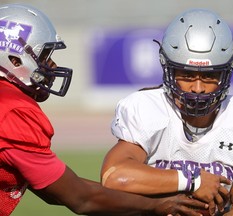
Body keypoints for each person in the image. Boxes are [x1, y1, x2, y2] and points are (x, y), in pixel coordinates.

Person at [0, 3, 210, 216]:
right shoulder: (14, 111)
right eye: (45, 56)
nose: (52, 65)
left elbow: (55, 189)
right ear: (14, 59)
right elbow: (80, 198)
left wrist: (153, 198)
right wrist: (157, 205)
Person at [100, 8, 233, 216]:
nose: (198, 88)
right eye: (187, 74)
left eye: (210, 76)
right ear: (168, 70)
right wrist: (192, 181)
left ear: (226, 74)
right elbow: (114, 177)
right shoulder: (148, 109)